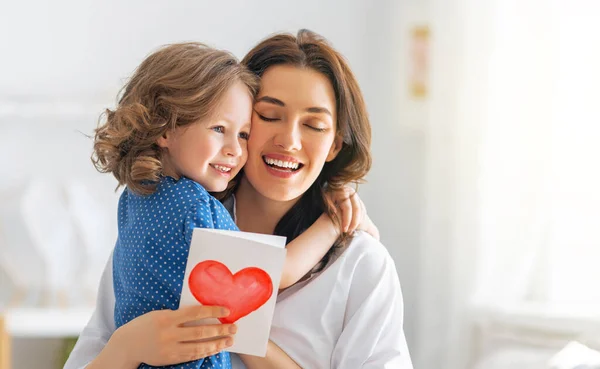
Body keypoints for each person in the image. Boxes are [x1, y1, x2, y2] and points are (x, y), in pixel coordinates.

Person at [65, 29, 412, 369]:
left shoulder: (362, 266)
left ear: (335, 145)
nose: (289, 140)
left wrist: (237, 331)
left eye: (314, 125)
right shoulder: (166, 231)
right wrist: (126, 348)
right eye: (269, 115)